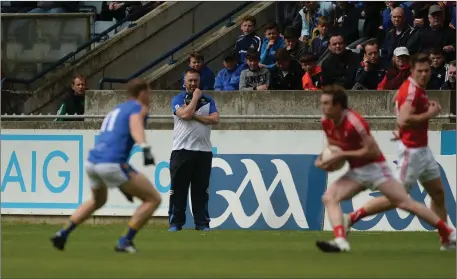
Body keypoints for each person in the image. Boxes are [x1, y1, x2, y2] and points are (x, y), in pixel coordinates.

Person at [314, 84, 456, 253]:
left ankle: (448, 232)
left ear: (338, 105)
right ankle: (340, 240)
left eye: (326, 103)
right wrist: (324, 160)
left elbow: (372, 151)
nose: (322, 107)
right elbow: (333, 148)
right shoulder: (326, 122)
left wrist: (341, 154)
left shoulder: (354, 122)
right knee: (329, 197)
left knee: (405, 203)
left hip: (376, 169)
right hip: (356, 172)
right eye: (322, 103)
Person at [343, 53, 457, 251]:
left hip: (422, 150)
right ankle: (351, 217)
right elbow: (403, 119)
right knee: (397, 198)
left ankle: (445, 239)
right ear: (412, 71)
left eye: (426, 70)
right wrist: (429, 114)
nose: (424, 74)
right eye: (420, 71)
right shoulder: (412, 91)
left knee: (438, 193)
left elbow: (398, 101)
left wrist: (404, 129)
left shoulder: (413, 87)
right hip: (411, 152)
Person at [50, 78, 162, 253]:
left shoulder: (116, 109)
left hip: (93, 161)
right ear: (142, 93)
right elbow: (135, 126)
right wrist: (145, 147)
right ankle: (125, 241)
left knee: (98, 200)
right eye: (149, 92)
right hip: (112, 162)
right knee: (154, 199)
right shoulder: (138, 108)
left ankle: (63, 233)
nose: (151, 96)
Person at [169, 68, 219, 232]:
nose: (192, 83)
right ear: (184, 82)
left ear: (199, 82)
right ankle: (176, 223)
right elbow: (184, 115)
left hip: (203, 151)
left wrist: (196, 116)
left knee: (201, 190)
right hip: (181, 150)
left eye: (195, 81)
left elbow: (215, 119)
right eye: (189, 80)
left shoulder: (208, 101)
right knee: (178, 190)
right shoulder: (177, 98)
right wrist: (195, 98)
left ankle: (202, 223)